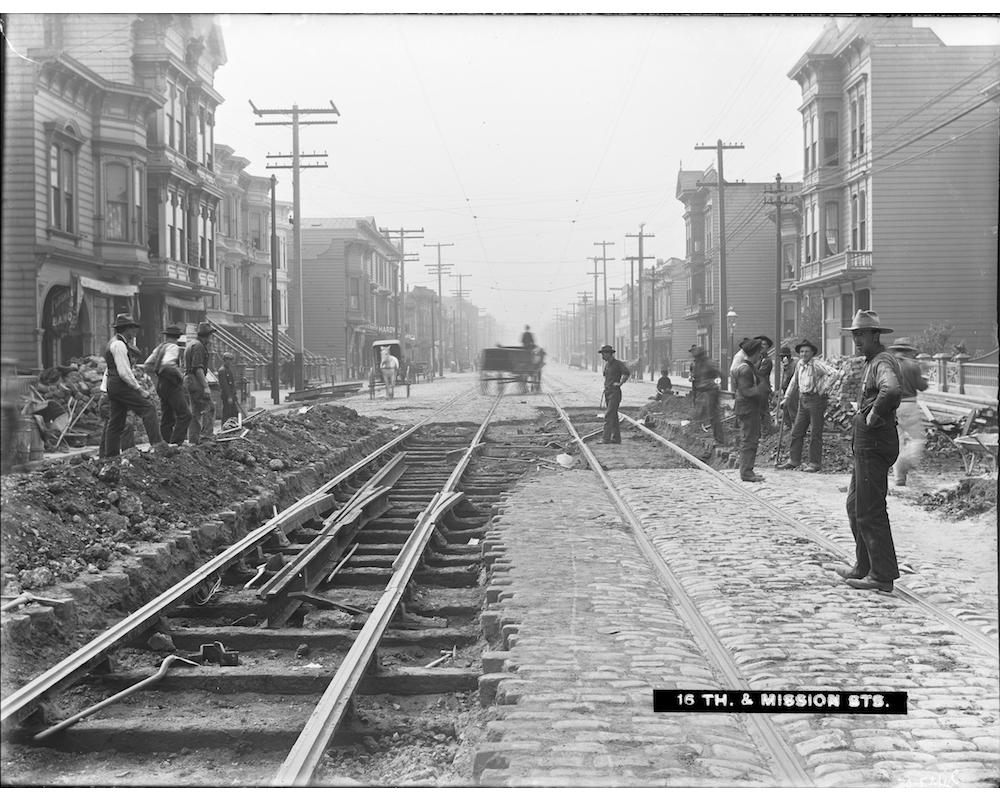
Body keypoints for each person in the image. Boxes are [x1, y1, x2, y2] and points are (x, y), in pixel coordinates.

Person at [835, 310, 903, 593]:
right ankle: (864, 566)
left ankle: (882, 575)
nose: (857, 340)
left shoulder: (882, 362)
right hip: (867, 444)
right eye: (854, 335)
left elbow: (892, 391)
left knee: (870, 509)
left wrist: (873, 416)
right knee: (855, 506)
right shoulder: (873, 361)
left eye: (861, 334)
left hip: (875, 442)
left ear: (876, 335)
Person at [777, 339, 841, 472]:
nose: (804, 354)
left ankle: (814, 463)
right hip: (803, 400)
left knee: (815, 433)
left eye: (807, 351)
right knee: (797, 431)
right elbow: (794, 381)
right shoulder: (799, 364)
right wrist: (787, 398)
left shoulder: (816, 365)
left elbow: (835, 373)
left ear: (812, 353)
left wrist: (823, 388)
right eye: (801, 351)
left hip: (816, 401)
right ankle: (793, 460)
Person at [103, 314, 162, 457]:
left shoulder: (115, 342)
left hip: (113, 384)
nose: (135, 332)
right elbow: (124, 372)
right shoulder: (119, 345)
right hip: (119, 384)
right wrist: (140, 390)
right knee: (148, 408)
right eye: (133, 328)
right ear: (126, 329)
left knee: (116, 421)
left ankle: (110, 456)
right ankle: (158, 445)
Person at [887, 337, 929, 487]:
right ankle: (907, 459)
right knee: (918, 439)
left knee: (897, 441)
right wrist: (924, 375)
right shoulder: (913, 365)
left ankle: (899, 478)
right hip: (909, 404)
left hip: (893, 406)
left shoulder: (890, 365)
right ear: (908, 351)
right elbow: (922, 386)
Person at [142, 324, 191, 445]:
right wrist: (180, 376)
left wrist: (157, 377)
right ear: (177, 337)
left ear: (167, 336)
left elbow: (147, 365)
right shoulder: (173, 347)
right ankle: (177, 442)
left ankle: (165, 443)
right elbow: (168, 364)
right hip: (172, 385)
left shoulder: (160, 347)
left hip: (161, 385)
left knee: (167, 417)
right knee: (185, 415)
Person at [731, 338, 766, 482]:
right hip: (748, 409)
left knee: (751, 439)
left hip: (748, 408)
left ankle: (748, 470)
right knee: (749, 440)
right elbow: (746, 391)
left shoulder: (746, 367)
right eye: (759, 352)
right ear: (755, 353)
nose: (760, 355)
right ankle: (746, 473)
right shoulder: (746, 369)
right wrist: (760, 389)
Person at [184, 321, 215, 444]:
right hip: (195, 380)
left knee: (195, 411)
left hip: (189, 380)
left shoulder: (192, 344)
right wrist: (205, 386)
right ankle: (206, 437)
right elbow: (197, 367)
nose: (210, 339)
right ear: (206, 335)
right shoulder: (199, 346)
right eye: (210, 335)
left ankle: (194, 439)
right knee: (209, 407)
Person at [690, 345, 724, 444]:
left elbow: (720, 375)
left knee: (714, 414)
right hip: (704, 391)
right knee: (710, 414)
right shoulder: (699, 364)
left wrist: (714, 383)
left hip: (711, 391)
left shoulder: (709, 363)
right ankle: (716, 437)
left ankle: (719, 439)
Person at [598, 344, 629, 444]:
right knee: (614, 416)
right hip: (608, 392)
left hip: (615, 393)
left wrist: (620, 383)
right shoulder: (607, 365)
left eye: (603, 354)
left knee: (609, 415)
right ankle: (616, 438)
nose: (602, 356)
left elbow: (626, 373)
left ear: (609, 354)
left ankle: (605, 438)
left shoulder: (618, 364)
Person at [755, 335, 776, 435]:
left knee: (763, 410)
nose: (762, 346)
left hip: (763, 388)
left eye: (764, 344)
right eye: (760, 344)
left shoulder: (767, 361)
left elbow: (758, 373)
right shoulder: (758, 358)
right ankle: (760, 432)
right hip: (756, 388)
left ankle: (766, 431)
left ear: (767, 347)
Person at [217, 351, 240, 422]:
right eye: (227, 360)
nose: (229, 362)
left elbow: (232, 384)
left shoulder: (228, 369)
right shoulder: (222, 370)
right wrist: (229, 397)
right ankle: (224, 429)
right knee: (227, 413)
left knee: (234, 413)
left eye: (230, 360)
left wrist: (234, 395)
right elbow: (225, 386)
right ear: (224, 360)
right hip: (227, 396)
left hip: (231, 395)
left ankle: (234, 428)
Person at [777, 346, 796, 428]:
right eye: (781, 357)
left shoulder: (794, 364)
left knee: (792, 407)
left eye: (785, 356)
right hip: (785, 389)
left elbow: (790, 377)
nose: (783, 359)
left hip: (792, 390)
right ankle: (787, 424)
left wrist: (786, 366)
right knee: (785, 407)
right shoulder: (784, 364)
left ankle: (795, 425)